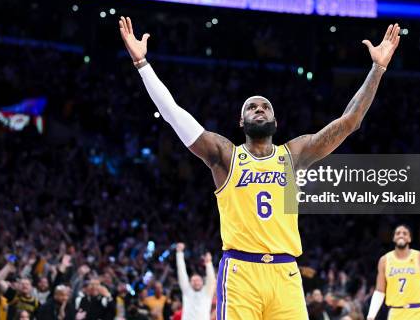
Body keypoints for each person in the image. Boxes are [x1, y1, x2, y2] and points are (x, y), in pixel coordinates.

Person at [119, 16, 402, 320]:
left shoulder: (294, 154)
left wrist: (378, 69)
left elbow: (349, 122)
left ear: (275, 122)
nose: (258, 109)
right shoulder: (224, 155)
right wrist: (142, 64)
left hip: (286, 274)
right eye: (251, 107)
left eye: (265, 107)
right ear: (241, 122)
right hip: (241, 272)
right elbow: (173, 114)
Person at [366, 225, 420, 320]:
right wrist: (371, 315)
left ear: (409, 239)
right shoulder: (384, 260)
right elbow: (380, 291)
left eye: (405, 233)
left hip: (416, 313)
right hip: (394, 313)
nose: (401, 235)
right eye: (398, 233)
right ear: (393, 238)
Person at [175, 243, 216, 320]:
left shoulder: (207, 292)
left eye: (198, 280)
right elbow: (181, 272)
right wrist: (179, 253)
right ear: (190, 283)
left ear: (202, 282)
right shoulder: (187, 291)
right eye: (194, 280)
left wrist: (208, 263)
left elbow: (211, 279)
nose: (196, 282)